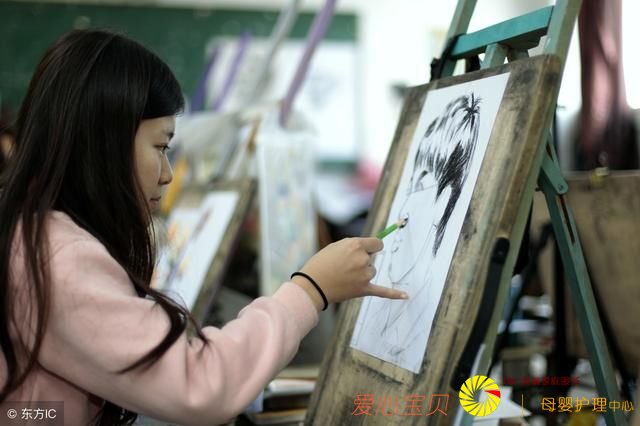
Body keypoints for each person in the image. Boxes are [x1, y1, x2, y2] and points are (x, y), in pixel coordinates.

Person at [0, 30, 408, 426]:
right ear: (105, 141)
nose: (167, 174)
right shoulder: (59, 258)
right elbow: (199, 384)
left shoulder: (32, 232)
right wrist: (310, 289)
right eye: (161, 147)